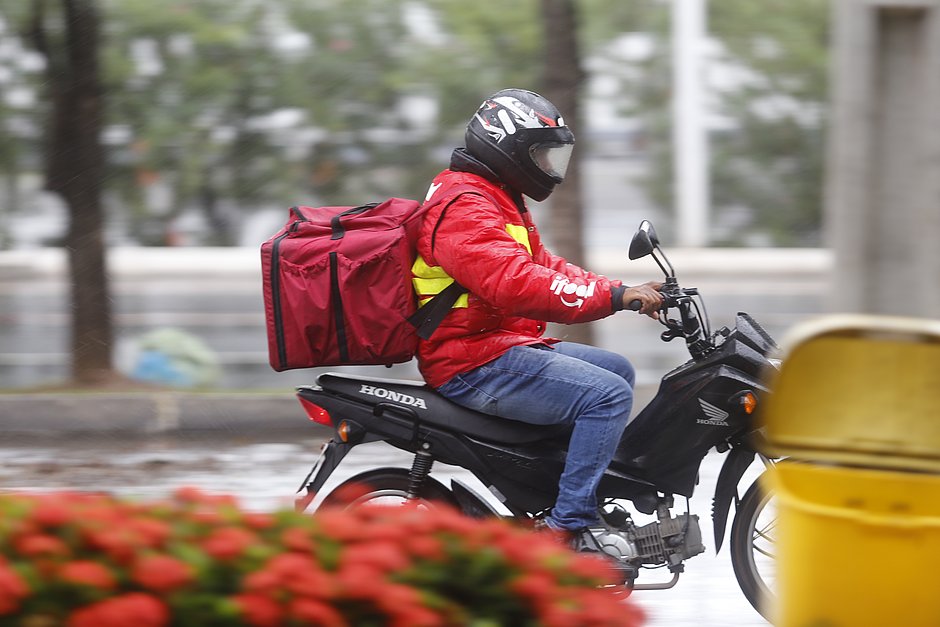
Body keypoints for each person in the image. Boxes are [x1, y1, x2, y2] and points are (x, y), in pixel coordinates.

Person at [411, 88, 663, 551]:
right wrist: (613, 298)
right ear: (503, 146)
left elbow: (543, 264)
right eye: (541, 155)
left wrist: (622, 289)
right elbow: (517, 283)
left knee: (617, 370)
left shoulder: (494, 196)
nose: (550, 169)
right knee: (606, 396)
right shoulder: (464, 205)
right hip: (469, 359)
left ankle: (562, 494)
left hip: (495, 344)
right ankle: (567, 530)